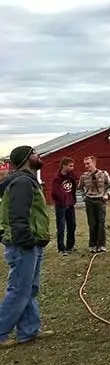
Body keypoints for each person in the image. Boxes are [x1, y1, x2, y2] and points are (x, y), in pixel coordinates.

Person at [0, 146, 53, 348]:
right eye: (34, 154)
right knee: (19, 290)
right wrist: (26, 241)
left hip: (31, 243)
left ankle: (29, 331)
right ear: (25, 159)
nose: (38, 156)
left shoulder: (27, 180)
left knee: (30, 288)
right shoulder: (22, 182)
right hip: (23, 245)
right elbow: (18, 215)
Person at [77, 156, 110, 253]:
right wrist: (84, 197)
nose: (86, 166)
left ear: (94, 163)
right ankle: (93, 245)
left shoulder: (103, 174)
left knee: (101, 223)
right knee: (92, 223)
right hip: (90, 200)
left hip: (100, 200)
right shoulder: (84, 176)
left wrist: (106, 194)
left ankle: (101, 245)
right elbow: (80, 188)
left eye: (88, 163)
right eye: (85, 164)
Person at [51, 157, 78, 256]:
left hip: (70, 204)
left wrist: (71, 200)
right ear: (64, 166)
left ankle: (70, 246)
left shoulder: (71, 176)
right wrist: (63, 201)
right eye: (70, 166)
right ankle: (61, 248)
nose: (72, 168)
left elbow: (74, 186)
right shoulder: (57, 179)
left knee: (72, 225)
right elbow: (55, 192)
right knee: (61, 227)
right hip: (61, 205)